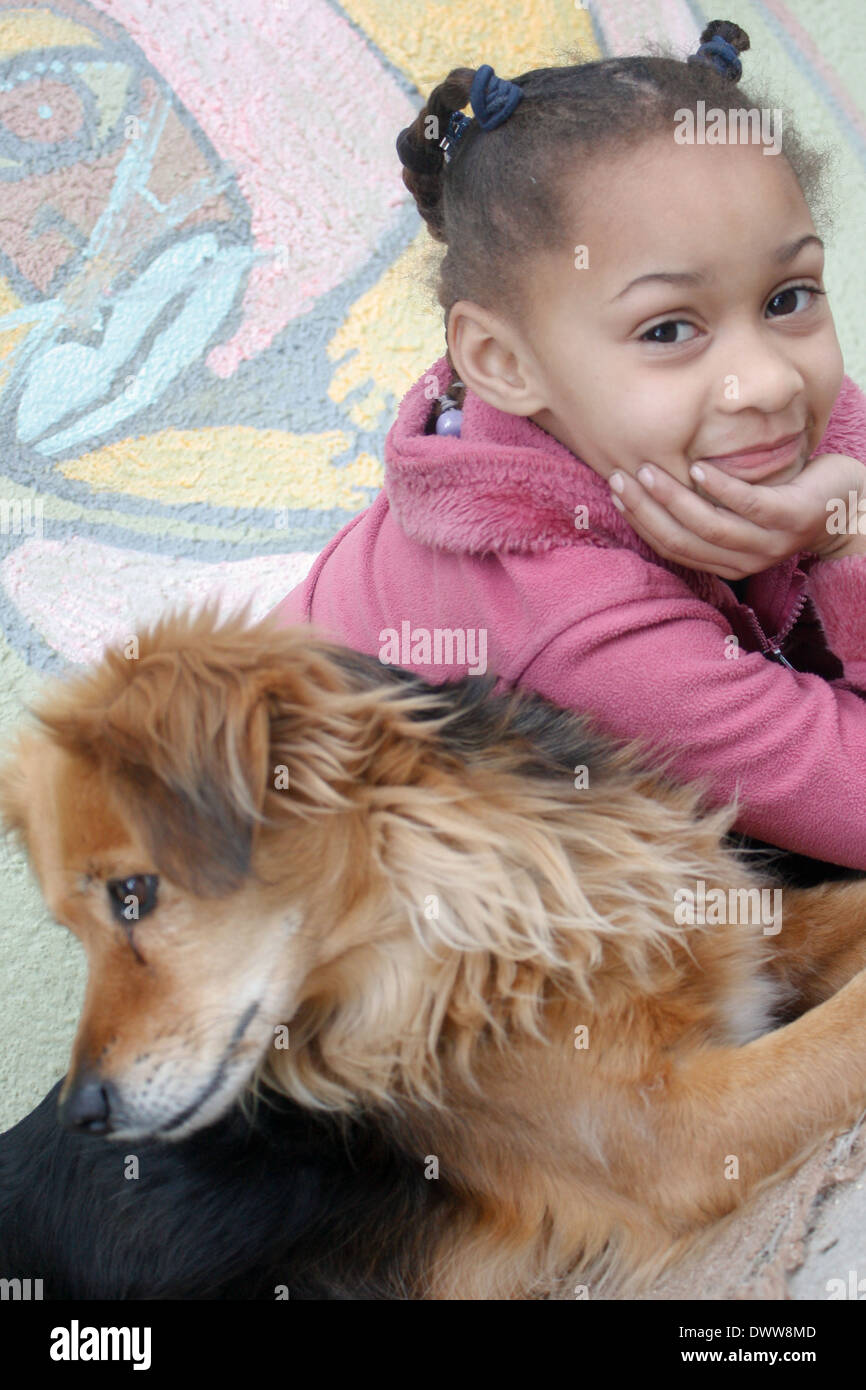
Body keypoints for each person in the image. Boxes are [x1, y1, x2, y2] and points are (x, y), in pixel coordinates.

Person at [269, 20, 866, 872]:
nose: (767, 380)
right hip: (347, 908)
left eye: (787, 297)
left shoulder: (776, 419)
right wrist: (845, 539)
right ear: (505, 364)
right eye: (668, 328)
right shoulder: (565, 614)